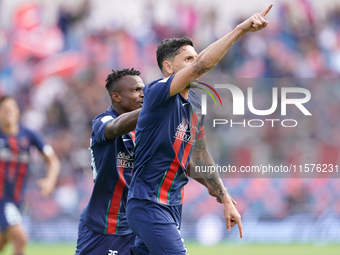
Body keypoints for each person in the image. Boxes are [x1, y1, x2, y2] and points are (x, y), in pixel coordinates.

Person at [126, 4, 273, 254]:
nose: (196, 62)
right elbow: (204, 64)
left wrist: (225, 198)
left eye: (195, 57)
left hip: (171, 205)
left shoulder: (195, 104)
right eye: (188, 59)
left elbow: (200, 157)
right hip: (148, 203)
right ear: (169, 67)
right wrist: (239, 29)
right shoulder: (158, 92)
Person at [75, 68, 145, 255]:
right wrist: (151, 108)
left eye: (143, 89)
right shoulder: (103, 121)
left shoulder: (144, 129)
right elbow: (114, 128)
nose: (142, 94)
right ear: (117, 96)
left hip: (136, 224)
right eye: (135, 90)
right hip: (104, 224)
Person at [0, 96, 60, 255]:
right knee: (20, 239)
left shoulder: (30, 135)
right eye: (5, 110)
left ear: (18, 112)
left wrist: (50, 181)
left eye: (12, 109)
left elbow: (53, 160)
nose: (9, 113)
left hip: (17, 199)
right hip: (2, 199)